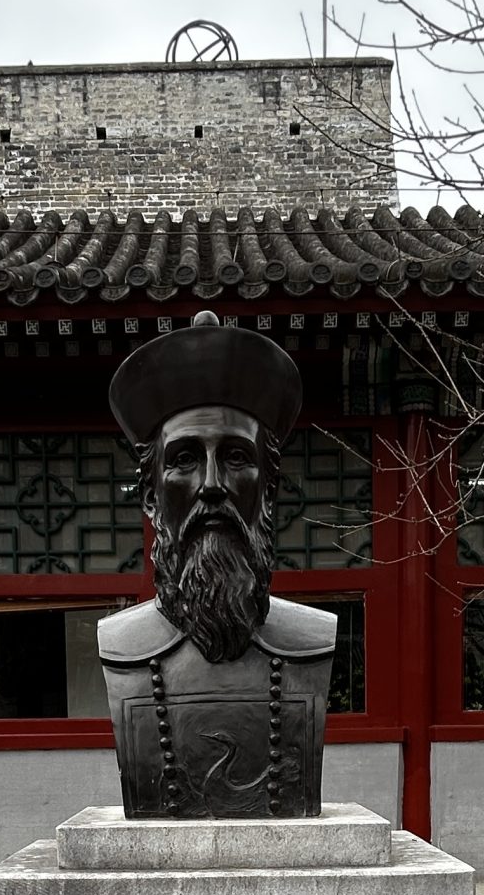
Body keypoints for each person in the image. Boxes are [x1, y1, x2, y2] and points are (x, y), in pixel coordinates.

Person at [98, 312, 336, 819]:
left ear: (267, 488)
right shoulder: (118, 646)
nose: (210, 484)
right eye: (184, 459)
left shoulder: (315, 642)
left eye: (235, 457)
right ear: (150, 496)